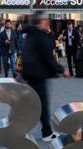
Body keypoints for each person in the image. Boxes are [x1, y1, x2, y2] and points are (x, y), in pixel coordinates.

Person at [21, 11, 70, 142]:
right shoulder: (39, 35)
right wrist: (62, 70)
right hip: (37, 74)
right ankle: (46, 133)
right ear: (41, 21)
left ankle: (44, 131)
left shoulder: (32, 33)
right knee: (42, 105)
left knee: (36, 104)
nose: (48, 21)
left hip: (30, 73)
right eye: (46, 19)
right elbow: (48, 57)